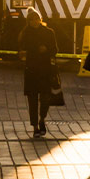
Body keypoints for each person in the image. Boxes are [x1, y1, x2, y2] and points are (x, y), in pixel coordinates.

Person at [17, 8, 57, 137]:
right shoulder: (25, 33)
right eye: (31, 20)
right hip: (31, 70)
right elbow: (21, 48)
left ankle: (42, 119)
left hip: (45, 70)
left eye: (36, 19)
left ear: (40, 19)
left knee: (45, 98)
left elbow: (55, 49)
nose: (34, 22)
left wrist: (46, 49)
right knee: (32, 100)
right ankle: (35, 126)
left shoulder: (49, 32)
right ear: (28, 22)